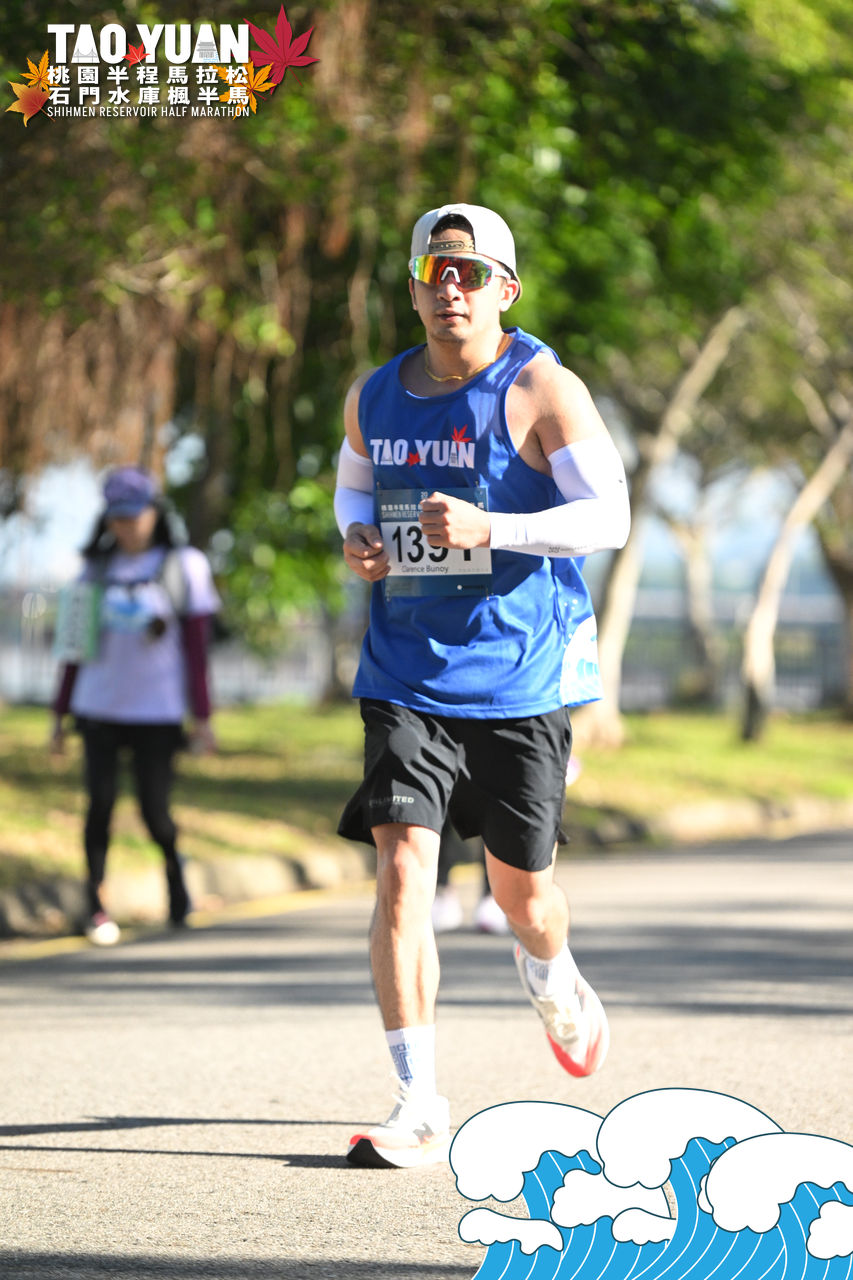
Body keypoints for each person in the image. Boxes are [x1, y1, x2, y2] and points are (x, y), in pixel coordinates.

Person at [334, 203, 630, 1169]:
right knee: (401, 873)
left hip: (519, 678)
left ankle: (552, 977)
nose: (450, 289)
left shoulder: (542, 387)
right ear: (414, 287)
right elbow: (352, 485)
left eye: (469, 273)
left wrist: (492, 529)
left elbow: (609, 517)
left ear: (506, 289)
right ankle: (417, 1102)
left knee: (522, 896)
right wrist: (357, 536)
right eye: (435, 272)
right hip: (404, 671)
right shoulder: (375, 395)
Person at [50, 465, 220, 946]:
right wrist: (58, 716)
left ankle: (176, 881)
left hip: (157, 713)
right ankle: (95, 905)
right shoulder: (93, 571)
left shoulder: (185, 566)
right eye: (117, 517)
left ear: (155, 514)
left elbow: (197, 651)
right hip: (97, 708)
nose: (126, 526)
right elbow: (73, 648)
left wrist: (202, 718)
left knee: (155, 811)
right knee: (99, 804)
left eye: (135, 515)